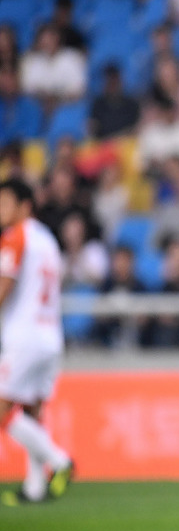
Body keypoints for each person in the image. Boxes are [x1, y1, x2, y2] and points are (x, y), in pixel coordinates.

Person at [0, 178, 74, 507]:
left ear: (25, 206)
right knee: (31, 412)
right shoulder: (48, 239)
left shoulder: (15, 236)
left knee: (3, 409)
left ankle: (59, 461)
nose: (1, 210)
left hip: (23, 336)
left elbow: (4, 285)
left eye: (5, 203)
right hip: (50, 336)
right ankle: (34, 487)